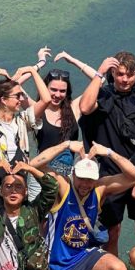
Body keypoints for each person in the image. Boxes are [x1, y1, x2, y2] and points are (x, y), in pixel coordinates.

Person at [78, 51, 135, 256]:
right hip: (110, 172)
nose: (125, 79)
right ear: (113, 73)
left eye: (130, 75)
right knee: (111, 231)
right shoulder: (104, 94)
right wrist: (99, 72)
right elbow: (85, 107)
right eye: (120, 74)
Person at [31, 141, 135, 270]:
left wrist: (109, 152)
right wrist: (66, 145)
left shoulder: (99, 190)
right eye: (81, 177)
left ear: (96, 178)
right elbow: (34, 165)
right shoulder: (63, 187)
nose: (85, 184)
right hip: (61, 265)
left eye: (90, 179)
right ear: (73, 173)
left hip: (84, 255)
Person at [0, 65, 51, 208]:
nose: (21, 99)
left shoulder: (22, 120)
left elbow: (46, 100)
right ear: (3, 99)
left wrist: (33, 71)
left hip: (18, 185)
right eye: (17, 96)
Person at [23, 48, 102, 176]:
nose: (57, 95)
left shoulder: (74, 109)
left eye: (62, 91)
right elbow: (13, 84)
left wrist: (72, 60)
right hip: (41, 176)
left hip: (67, 176)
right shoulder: (36, 109)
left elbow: (99, 81)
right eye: (53, 90)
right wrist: (40, 64)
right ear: (45, 88)